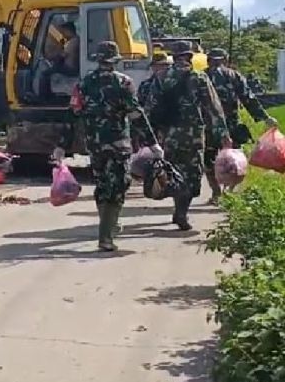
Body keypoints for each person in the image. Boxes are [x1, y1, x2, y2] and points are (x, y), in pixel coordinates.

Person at [53, 41, 162, 252]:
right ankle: (107, 234)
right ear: (115, 61)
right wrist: (152, 143)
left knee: (103, 184)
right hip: (119, 144)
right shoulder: (124, 83)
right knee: (119, 186)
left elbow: (72, 115)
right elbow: (136, 115)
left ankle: (107, 227)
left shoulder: (84, 84)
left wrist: (61, 146)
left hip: (94, 145)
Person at [147, 40, 230, 230]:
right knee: (192, 175)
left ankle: (179, 209)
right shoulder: (198, 78)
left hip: (167, 135)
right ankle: (181, 212)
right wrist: (223, 133)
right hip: (193, 134)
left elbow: (150, 107)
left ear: (173, 57)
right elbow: (213, 107)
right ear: (190, 56)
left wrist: (148, 136)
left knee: (174, 172)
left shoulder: (160, 77)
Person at [204, 47, 277, 203]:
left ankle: (216, 193)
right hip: (230, 124)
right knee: (234, 159)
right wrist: (264, 117)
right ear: (225, 59)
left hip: (209, 125)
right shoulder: (233, 75)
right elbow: (248, 99)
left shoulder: (203, 76)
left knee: (209, 159)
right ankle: (229, 191)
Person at [40, 21, 80, 99]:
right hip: (70, 66)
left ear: (69, 30)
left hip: (70, 69)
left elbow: (63, 55)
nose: (63, 34)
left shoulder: (73, 41)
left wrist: (51, 56)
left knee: (44, 74)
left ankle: (45, 97)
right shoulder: (75, 40)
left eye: (64, 31)